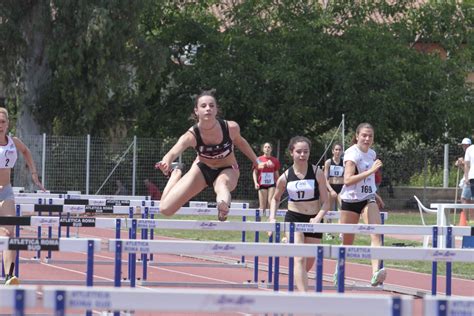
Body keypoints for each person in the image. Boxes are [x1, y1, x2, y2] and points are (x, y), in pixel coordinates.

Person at [155, 90, 262, 221]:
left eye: (212, 106)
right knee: (165, 209)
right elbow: (172, 152)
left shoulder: (230, 128)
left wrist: (256, 161)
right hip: (202, 169)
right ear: (196, 111)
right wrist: (166, 162)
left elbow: (241, 143)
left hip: (228, 168)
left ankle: (223, 207)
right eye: (203, 106)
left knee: (221, 184)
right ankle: (175, 174)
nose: (208, 109)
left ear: (216, 110)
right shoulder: (191, 135)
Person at [268, 136, 330, 292]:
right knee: (299, 258)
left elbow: (326, 202)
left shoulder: (317, 173)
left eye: (306, 152)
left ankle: (300, 281)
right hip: (294, 219)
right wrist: (272, 218)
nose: (302, 155)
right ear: (291, 153)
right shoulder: (285, 177)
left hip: (313, 220)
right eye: (299, 152)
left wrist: (317, 218)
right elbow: (275, 199)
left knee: (307, 263)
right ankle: (304, 297)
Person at [335, 123, 386, 287]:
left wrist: (375, 194)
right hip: (350, 201)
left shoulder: (372, 154)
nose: (367, 138)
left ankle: (375, 273)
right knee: (347, 243)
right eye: (364, 135)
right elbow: (348, 180)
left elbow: (367, 181)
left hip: (367, 198)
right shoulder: (351, 154)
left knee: (376, 233)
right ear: (357, 136)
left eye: (370, 136)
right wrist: (371, 171)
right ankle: (339, 270)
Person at [0, 107, 45, 285]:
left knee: (9, 233)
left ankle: (9, 275)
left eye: (3, 122)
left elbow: (26, 152)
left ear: (8, 123)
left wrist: (34, 173)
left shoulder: (13, 142)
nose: (0, 125)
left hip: (6, 191)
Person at [252, 142, 280, 216]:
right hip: (262, 184)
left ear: (271, 149)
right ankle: (259, 223)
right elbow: (255, 173)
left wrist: (279, 184)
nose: (267, 148)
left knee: (271, 202)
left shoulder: (275, 160)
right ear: (263, 149)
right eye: (265, 147)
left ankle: (269, 220)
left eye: (268, 147)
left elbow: (276, 174)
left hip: (272, 184)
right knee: (262, 206)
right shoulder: (258, 159)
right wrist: (255, 183)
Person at [324, 143, 344, 212]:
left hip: (341, 188)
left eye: (339, 150)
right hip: (331, 187)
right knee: (329, 210)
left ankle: (340, 222)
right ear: (333, 151)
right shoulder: (328, 162)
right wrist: (331, 190)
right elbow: (325, 179)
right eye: (336, 150)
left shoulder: (344, 162)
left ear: (342, 151)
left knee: (342, 208)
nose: (338, 151)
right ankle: (328, 223)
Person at [460, 138, 474, 222]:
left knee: (466, 199)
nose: (463, 147)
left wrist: (466, 178)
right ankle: (467, 219)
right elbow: (467, 165)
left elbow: (467, 165)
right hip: (471, 177)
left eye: (465, 145)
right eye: (463, 145)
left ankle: (468, 219)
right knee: (467, 199)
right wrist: (466, 178)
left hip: (471, 177)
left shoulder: (470, 149)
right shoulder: (470, 149)